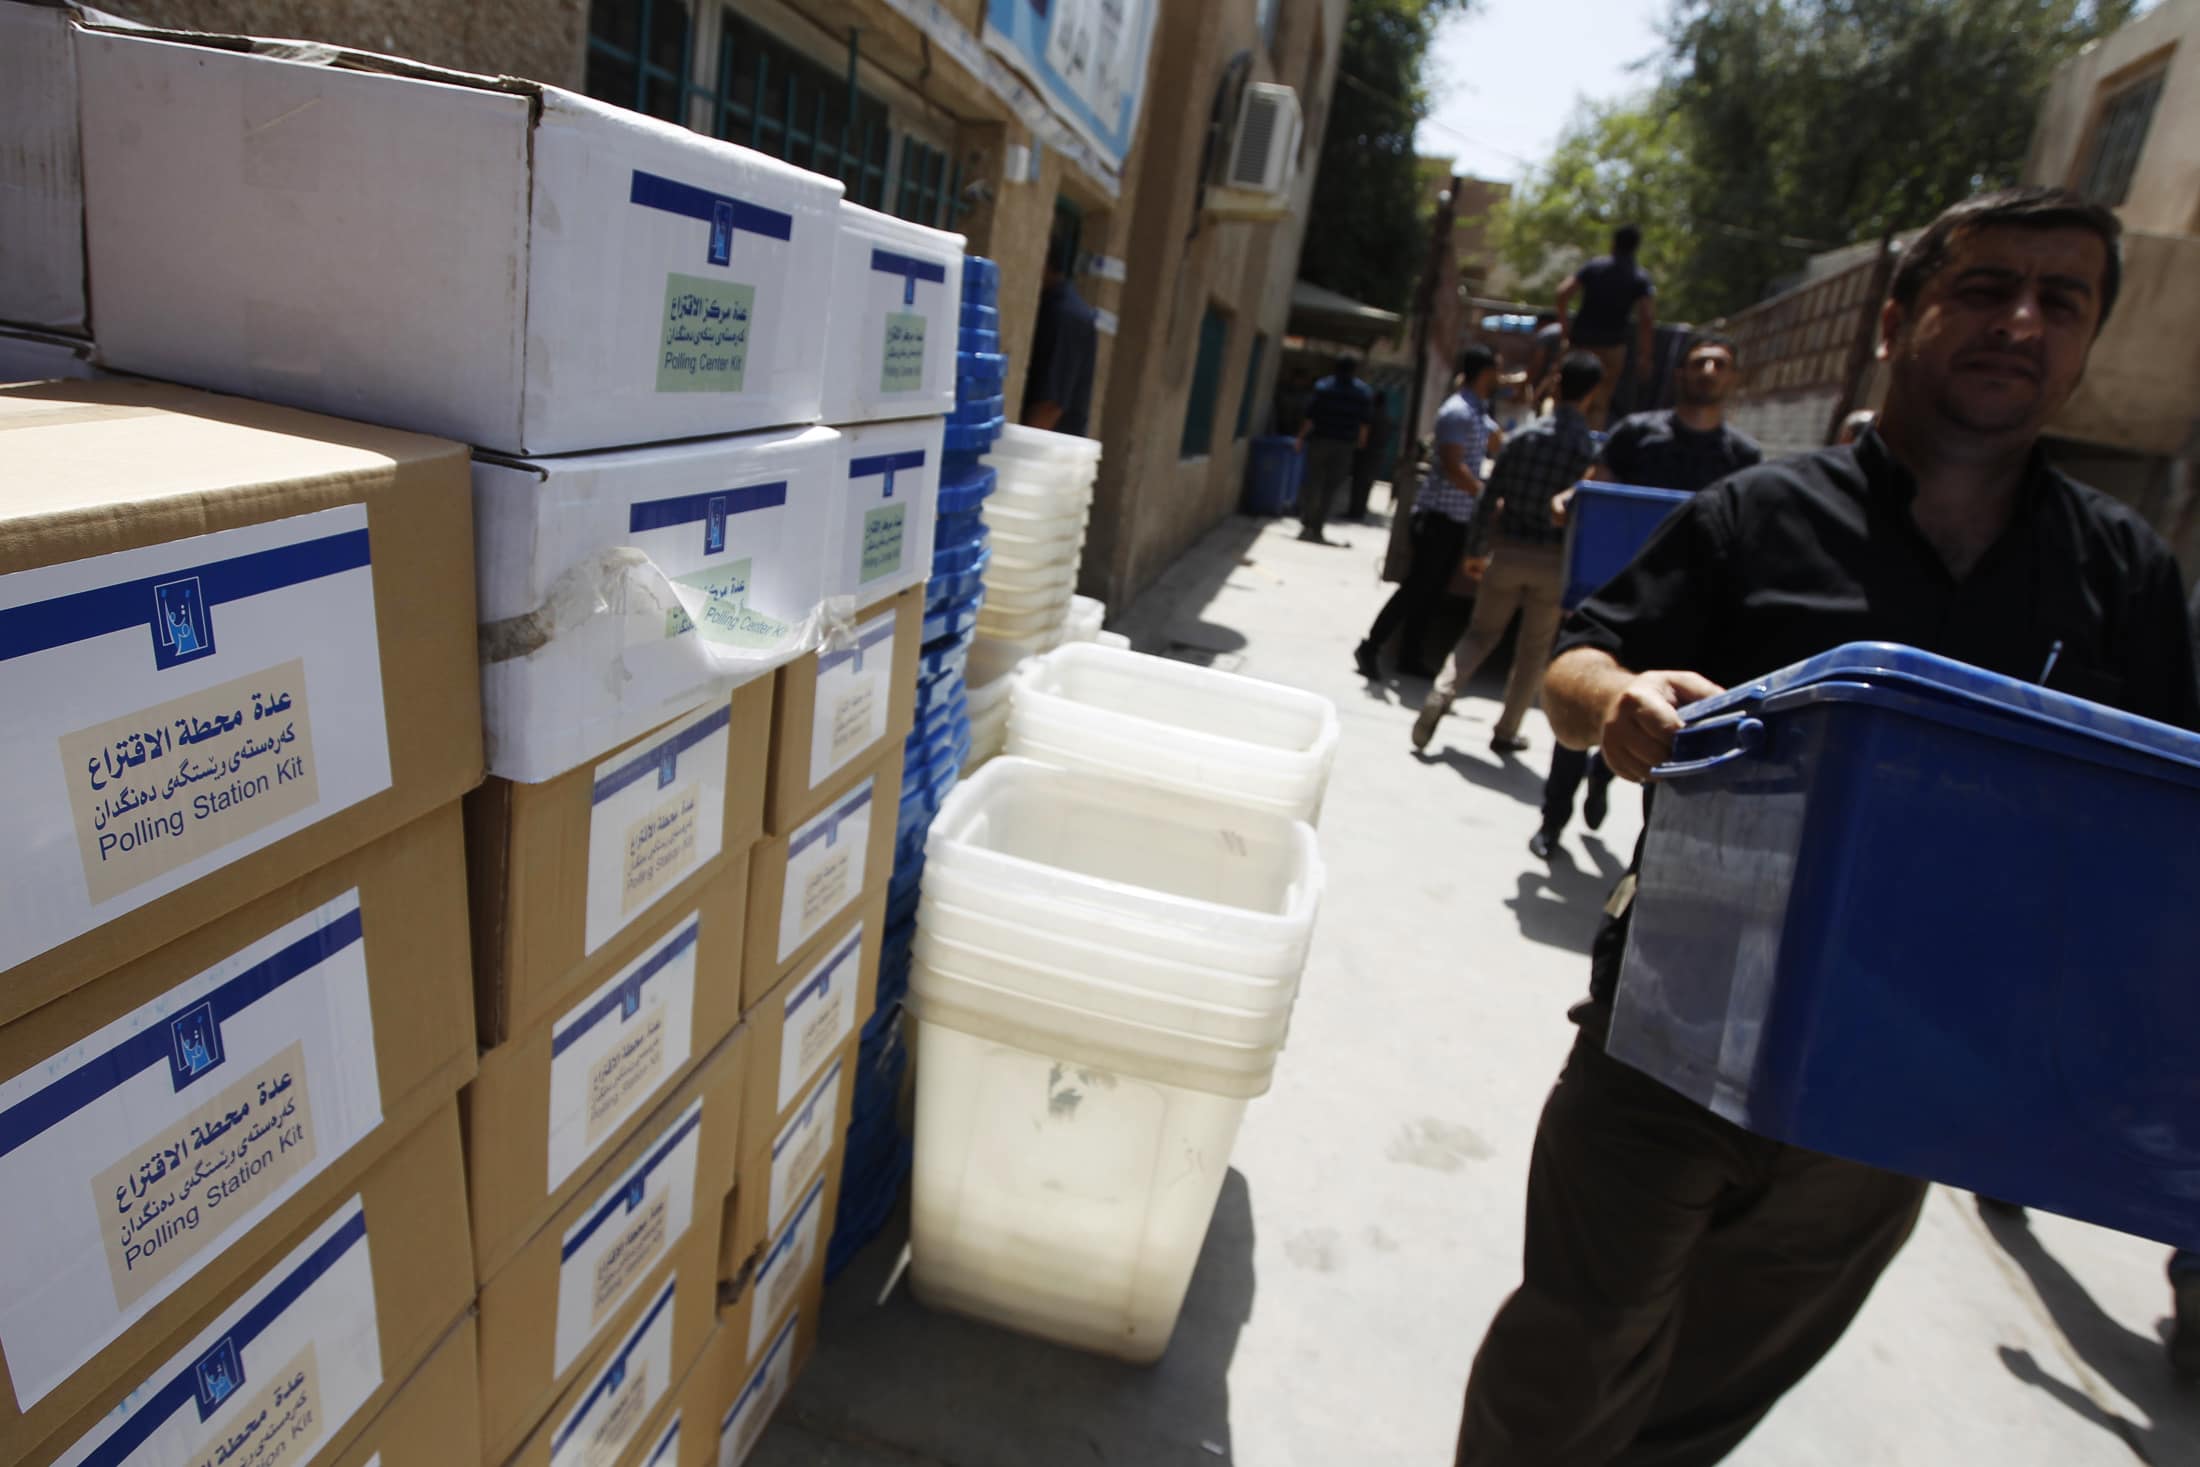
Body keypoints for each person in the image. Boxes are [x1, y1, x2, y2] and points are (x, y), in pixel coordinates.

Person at [1454, 186, 2200, 1466]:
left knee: (1702, 1402)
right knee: (1567, 1368)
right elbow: (1584, 661)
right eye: (1983, 288)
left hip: (1899, 1094)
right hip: (1670, 1041)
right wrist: (1621, 702)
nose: (2019, 321)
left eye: (2058, 301)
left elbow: (2158, 829)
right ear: (1898, 319)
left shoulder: (2121, 577)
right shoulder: (1760, 515)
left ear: (2081, 346)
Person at [1528, 332, 1765, 860]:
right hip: (1621, 604)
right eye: (1697, 361)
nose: (1707, 370)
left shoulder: (1743, 459)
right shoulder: (1637, 435)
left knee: (1658, 732)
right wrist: (1574, 502)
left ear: (1733, 379)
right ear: (1681, 374)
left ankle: (1603, 780)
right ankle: (1552, 820)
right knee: (1585, 711)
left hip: (1690, 625)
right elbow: (1597, 490)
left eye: (1719, 363)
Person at [1411, 352, 1605, 755]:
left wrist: (1477, 549)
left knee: (1479, 634)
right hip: (1554, 563)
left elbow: (1488, 498)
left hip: (1508, 553)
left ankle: (1443, 693)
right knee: (1532, 653)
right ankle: (1506, 730)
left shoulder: (1523, 439)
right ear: (1592, 395)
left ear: (1556, 383)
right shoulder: (1589, 451)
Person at [1356, 345, 1498, 679]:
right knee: (1416, 588)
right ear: (1484, 372)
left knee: (1433, 593)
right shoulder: (1458, 412)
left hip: (1456, 519)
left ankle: (1410, 656)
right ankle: (1370, 646)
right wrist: (1485, 495)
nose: (1501, 377)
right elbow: (1452, 465)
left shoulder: (1477, 411)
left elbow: (1497, 441)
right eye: (1497, 371)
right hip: (1437, 517)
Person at [1556, 225, 1656, 430]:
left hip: (1581, 342)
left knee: (1566, 394)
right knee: (1599, 403)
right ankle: (1588, 449)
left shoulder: (1594, 267)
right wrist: (1645, 355)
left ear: (1613, 243)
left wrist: (1565, 328)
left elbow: (1563, 292)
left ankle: (1556, 437)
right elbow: (1647, 317)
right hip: (1612, 348)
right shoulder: (1639, 277)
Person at [1021, 221, 1098, 437]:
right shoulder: (1053, 306)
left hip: (1047, 456)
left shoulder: (1064, 314)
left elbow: (1049, 406)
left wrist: (1019, 460)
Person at [1295, 356, 1374, 543]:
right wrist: (1361, 442)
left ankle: (1308, 523)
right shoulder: (1362, 392)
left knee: (1313, 483)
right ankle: (1317, 526)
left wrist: (1300, 437)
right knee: (1330, 488)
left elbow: (1310, 416)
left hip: (1320, 441)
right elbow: (1365, 422)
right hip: (1344, 445)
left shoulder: (1324, 387)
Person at [1348, 386, 1392, 522]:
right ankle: (1360, 510)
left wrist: (1359, 447)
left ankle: (1355, 511)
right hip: (1377, 454)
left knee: (1359, 482)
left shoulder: (1371, 415)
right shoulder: (1386, 417)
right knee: (1367, 483)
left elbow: (1363, 433)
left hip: (1366, 453)